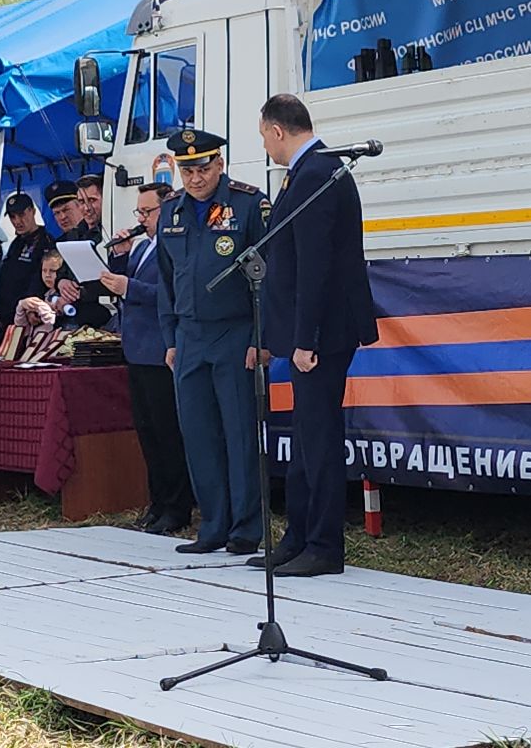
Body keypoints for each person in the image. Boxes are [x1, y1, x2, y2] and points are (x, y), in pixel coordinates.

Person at [248, 94, 379, 577]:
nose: (264, 145)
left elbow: (316, 266)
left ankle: (325, 546)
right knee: (304, 438)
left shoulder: (319, 174)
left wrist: (307, 340)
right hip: (308, 331)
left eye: (263, 135)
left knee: (319, 440)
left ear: (277, 130)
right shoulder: (305, 174)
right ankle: (298, 535)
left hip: (322, 334)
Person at [156, 128, 271, 555]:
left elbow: (269, 277)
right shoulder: (172, 212)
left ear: (220, 164)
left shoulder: (248, 204)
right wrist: (170, 338)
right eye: (187, 169)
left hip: (235, 332)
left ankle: (245, 528)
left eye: (203, 167)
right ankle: (213, 525)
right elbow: (167, 283)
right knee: (199, 435)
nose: (195, 177)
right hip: (188, 337)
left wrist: (263, 338)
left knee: (240, 433)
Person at [100, 181, 192, 535]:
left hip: (160, 350)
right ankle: (158, 502)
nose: (142, 218)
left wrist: (130, 288)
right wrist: (120, 255)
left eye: (148, 211)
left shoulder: (173, 246)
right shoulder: (142, 248)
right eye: (139, 212)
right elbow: (120, 285)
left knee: (168, 432)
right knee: (147, 432)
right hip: (136, 350)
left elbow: (170, 294)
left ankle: (177, 506)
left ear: (166, 209)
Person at [0, 191, 55, 331]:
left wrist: (31, 308)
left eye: (21, 215)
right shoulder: (17, 242)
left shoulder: (45, 241)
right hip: (6, 316)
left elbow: (40, 280)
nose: (17, 221)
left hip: (28, 317)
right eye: (12, 217)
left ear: (32, 211)